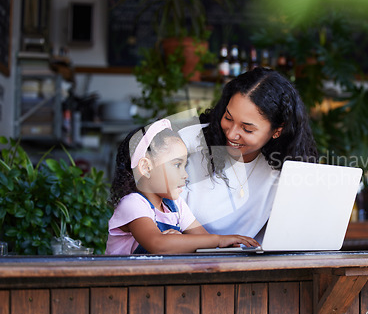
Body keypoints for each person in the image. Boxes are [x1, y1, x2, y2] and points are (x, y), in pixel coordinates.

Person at [179, 67, 318, 239]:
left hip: (244, 264)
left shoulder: (284, 168)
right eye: (228, 118)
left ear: (277, 130)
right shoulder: (187, 143)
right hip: (181, 260)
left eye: (247, 129)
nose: (231, 134)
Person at [105, 118, 259, 254]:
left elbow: (204, 241)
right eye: (177, 164)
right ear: (146, 167)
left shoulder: (176, 206)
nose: (185, 175)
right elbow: (158, 245)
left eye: (185, 165)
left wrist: (226, 245)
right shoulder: (133, 204)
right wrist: (217, 240)